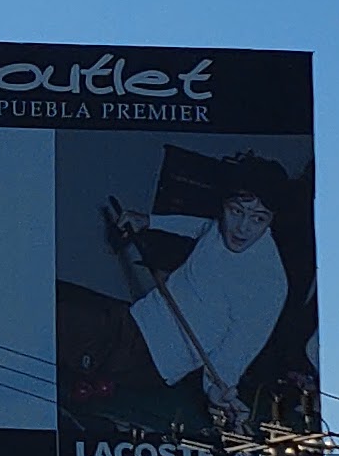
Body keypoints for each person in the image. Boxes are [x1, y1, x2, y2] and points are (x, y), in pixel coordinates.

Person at [104, 156, 292, 434]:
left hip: (153, 357)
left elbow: (235, 352)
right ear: (224, 206)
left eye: (258, 218)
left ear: (272, 219)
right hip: (137, 317)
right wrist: (150, 221)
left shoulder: (268, 283)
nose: (242, 228)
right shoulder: (221, 227)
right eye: (236, 211)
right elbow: (204, 228)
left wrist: (219, 392)